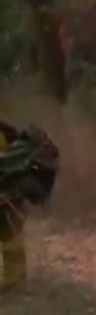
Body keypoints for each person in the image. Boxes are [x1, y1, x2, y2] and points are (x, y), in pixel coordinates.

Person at [0, 120, 26, 291]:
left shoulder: (3, 133)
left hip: (8, 192)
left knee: (9, 234)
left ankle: (14, 278)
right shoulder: (5, 130)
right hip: (12, 191)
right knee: (11, 233)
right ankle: (16, 276)